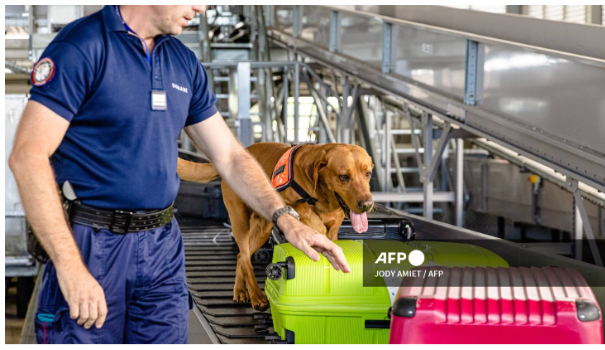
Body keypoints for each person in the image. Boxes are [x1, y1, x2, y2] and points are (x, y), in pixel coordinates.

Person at [9, 5, 350, 344]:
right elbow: (28, 156)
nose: (201, 8)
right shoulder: (82, 46)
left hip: (162, 246)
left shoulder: (182, 62)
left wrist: (286, 219)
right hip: (93, 244)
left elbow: (230, 157)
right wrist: (69, 267)